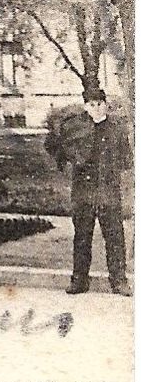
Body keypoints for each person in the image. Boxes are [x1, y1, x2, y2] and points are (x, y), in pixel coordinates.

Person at [56, 89, 131, 296]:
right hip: (83, 192)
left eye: (99, 103)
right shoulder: (75, 128)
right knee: (82, 236)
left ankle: (119, 281)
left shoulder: (116, 129)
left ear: (106, 104)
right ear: (85, 106)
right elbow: (59, 150)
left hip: (108, 191)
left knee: (115, 236)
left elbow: (126, 159)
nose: (96, 107)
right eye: (91, 104)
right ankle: (79, 280)